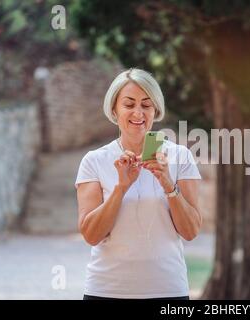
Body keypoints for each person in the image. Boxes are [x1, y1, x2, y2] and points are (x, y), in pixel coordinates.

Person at [75, 68, 202, 300]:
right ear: (114, 109)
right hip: (106, 291)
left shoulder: (180, 157)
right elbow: (91, 235)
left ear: (155, 110)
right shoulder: (94, 161)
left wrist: (168, 184)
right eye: (129, 104)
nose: (138, 112)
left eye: (146, 105)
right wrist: (121, 188)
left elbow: (191, 231)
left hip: (168, 291)